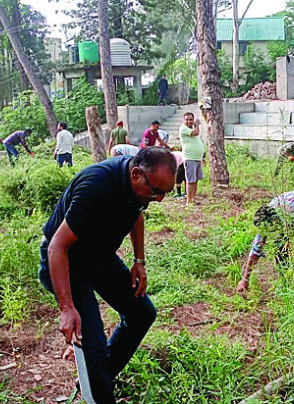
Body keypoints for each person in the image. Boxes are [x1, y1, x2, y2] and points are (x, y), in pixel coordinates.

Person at [38, 147, 175, 403]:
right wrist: (66, 307)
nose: (159, 199)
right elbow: (57, 246)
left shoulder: (137, 186)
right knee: (93, 345)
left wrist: (139, 261)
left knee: (142, 313)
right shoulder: (96, 187)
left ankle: (97, 379)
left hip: (99, 257)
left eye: (166, 193)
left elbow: (137, 213)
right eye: (157, 191)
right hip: (67, 261)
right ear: (136, 174)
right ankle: (99, 388)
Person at [179, 112, 204, 205]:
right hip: (190, 158)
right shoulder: (183, 128)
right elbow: (196, 132)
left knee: (196, 179)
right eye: (187, 119)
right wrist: (197, 125)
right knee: (190, 180)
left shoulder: (191, 128)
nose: (189, 121)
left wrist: (202, 157)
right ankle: (189, 201)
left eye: (190, 119)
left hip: (197, 158)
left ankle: (193, 198)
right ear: (184, 120)